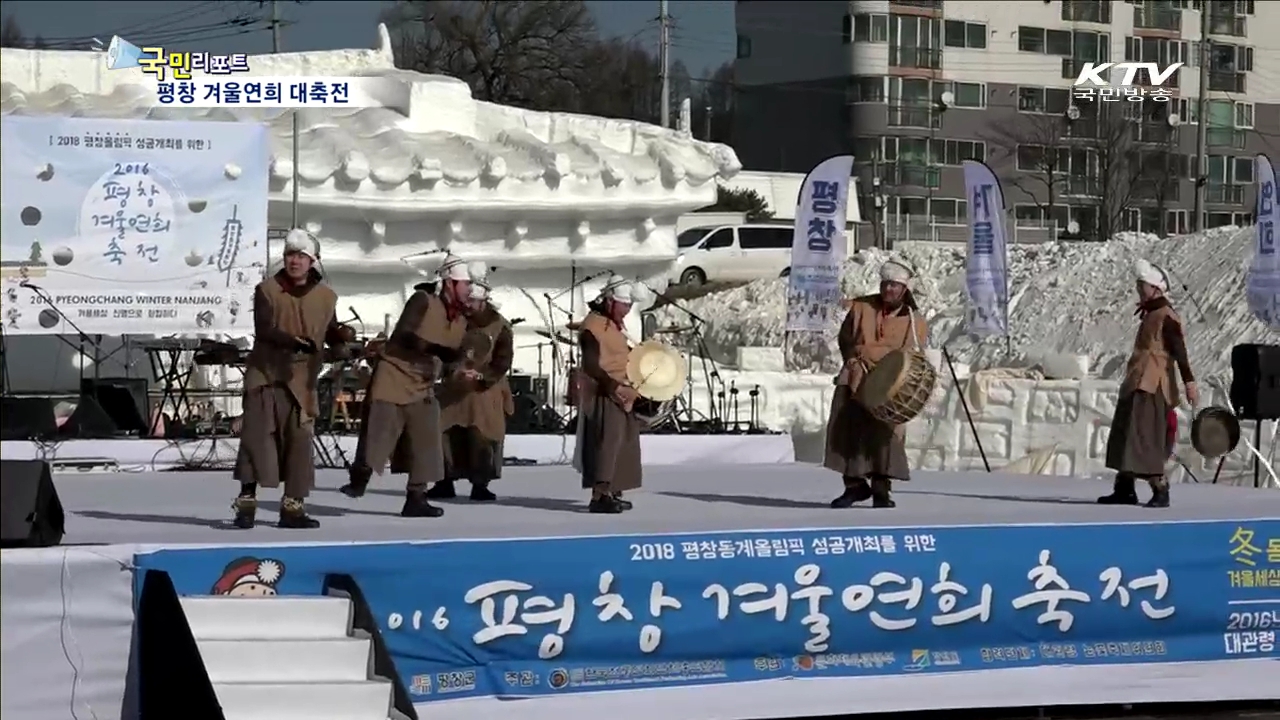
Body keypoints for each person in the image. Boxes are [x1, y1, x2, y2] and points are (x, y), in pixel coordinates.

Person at [232, 229, 353, 529]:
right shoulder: (267, 290)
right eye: (290, 255)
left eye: (301, 256)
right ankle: (246, 504)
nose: (294, 261)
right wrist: (293, 342)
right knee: (256, 441)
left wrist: (341, 344)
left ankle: (293, 509)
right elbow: (264, 329)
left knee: (299, 444)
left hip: (303, 379)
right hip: (266, 375)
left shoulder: (326, 296)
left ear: (313, 260)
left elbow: (330, 328)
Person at [338, 254, 472, 517]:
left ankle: (416, 498)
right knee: (378, 437)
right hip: (394, 375)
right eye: (464, 283)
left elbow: (450, 356)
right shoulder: (423, 301)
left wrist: (459, 368)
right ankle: (360, 475)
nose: (469, 289)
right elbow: (405, 335)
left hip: (423, 384)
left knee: (426, 441)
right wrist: (440, 351)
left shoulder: (460, 320)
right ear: (449, 283)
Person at [824, 259, 928, 509]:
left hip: (888, 383)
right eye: (885, 284)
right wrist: (851, 358)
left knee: (884, 437)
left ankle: (882, 490)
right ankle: (854, 487)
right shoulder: (861, 308)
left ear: (904, 289)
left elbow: (913, 356)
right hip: (856, 375)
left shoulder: (914, 321)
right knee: (847, 431)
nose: (888, 290)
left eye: (894, 285)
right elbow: (845, 338)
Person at [1100, 259, 1199, 508]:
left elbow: (1179, 352)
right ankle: (1124, 489)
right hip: (1137, 381)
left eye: (1142, 285)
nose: (1138, 289)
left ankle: (1160, 489)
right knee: (1125, 434)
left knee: (1144, 437)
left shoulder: (1166, 317)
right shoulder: (1151, 314)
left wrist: (1189, 382)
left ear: (1155, 288)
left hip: (1153, 385)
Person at [428, 262, 515, 502]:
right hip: (453, 387)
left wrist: (483, 378)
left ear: (483, 301)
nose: (468, 306)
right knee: (444, 433)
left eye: (472, 303)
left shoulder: (500, 326)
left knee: (482, 435)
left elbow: (503, 359)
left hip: (484, 390)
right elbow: (442, 349)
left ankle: (481, 484)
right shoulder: (454, 321)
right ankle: (444, 481)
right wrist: (452, 371)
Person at [576, 276, 643, 514]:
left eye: (629, 306)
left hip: (622, 389)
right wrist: (613, 387)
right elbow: (592, 364)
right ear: (609, 301)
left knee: (623, 444)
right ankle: (600, 495)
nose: (626, 311)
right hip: (603, 391)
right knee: (605, 443)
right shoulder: (592, 327)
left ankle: (614, 489)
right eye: (623, 305)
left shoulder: (614, 325)